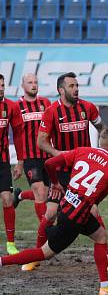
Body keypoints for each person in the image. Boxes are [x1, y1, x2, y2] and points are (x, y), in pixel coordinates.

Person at [0, 127, 108, 295]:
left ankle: (105, 287)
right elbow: (101, 194)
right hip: (75, 217)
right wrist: (93, 203)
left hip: (68, 205)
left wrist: (55, 183)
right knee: (44, 253)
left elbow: (49, 163)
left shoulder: (83, 151)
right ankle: (2, 261)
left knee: (101, 236)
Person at [36, 72, 108, 271]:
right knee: (51, 213)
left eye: (77, 85)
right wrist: (58, 153)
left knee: (94, 211)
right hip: (61, 171)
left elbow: (102, 129)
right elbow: (41, 141)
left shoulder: (87, 108)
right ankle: (36, 256)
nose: (76, 89)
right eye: (71, 86)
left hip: (82, 172)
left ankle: (105, 256)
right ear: (61, 90)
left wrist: (104, 150)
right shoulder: (52, 112)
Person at [13, 74, 52, 248]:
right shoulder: (17, 107)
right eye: (30, 82)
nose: (34, 85)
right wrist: (20, 162)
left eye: (36, 82)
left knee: (49, 193)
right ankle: (46, 231)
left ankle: (20, 195)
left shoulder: (46, 103)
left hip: (48, 156)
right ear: (23, 86)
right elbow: (17, 136)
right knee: (40, 192)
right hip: (30, 158)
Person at [0, 74, 25, 255]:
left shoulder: (11, 106)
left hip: (2, 161)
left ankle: (10, 243)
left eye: (2, 85)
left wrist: (20, 162)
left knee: (8, 199)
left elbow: (17, 135)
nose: (1, 89)